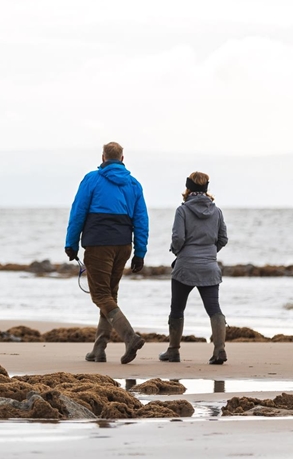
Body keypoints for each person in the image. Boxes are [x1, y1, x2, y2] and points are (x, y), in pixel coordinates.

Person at [64, 142, 149, 364]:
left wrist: (71, 243)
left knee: (101, 296)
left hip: (99, 244)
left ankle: (130, 337)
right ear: (122, 158)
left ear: (103, 157)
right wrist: (140, 252)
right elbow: (141, 221)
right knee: (109, 295)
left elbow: (78, 212)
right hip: (123, 245)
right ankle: (99, 349)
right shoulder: (134, 184)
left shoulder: (92, 179)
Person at [159, 171, 228, 365]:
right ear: (206, 188)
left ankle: (173, 351)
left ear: (188, 187)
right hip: (210, 267)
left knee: (177, 309)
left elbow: (178, 239)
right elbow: (223, 238)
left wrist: (177, 251)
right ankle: (219, 349)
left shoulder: (182, 211)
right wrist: (210, 253)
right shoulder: (217, 211)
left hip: (185, 267)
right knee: (214, 308)